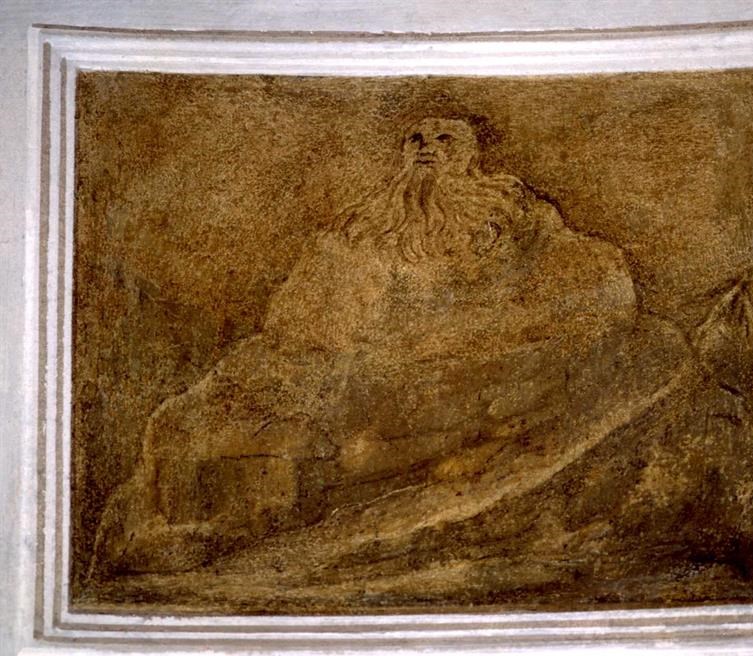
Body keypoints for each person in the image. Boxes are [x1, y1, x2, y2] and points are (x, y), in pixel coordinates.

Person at [89, 117, 645, 577]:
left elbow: (584, 272)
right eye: (416, 139)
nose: (427, 148)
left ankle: (228, 530)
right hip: (336, 362)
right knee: (180, 422)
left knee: (294, 441)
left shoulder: (508, 210)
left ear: (469, 155)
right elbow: (304, 308)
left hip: (446, 367)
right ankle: (184, 531)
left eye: (444, 139)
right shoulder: (365, 222)